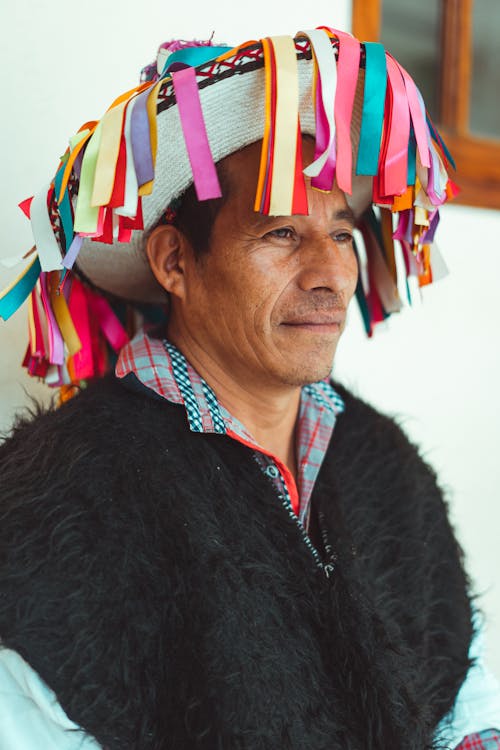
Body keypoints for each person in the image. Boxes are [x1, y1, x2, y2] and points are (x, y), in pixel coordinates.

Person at [0, 26, 499, 750]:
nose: (330, 274)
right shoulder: (60, 496)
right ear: (175, 260)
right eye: (281, 235)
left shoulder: (383, 464)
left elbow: (469, 701)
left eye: (340, 235)